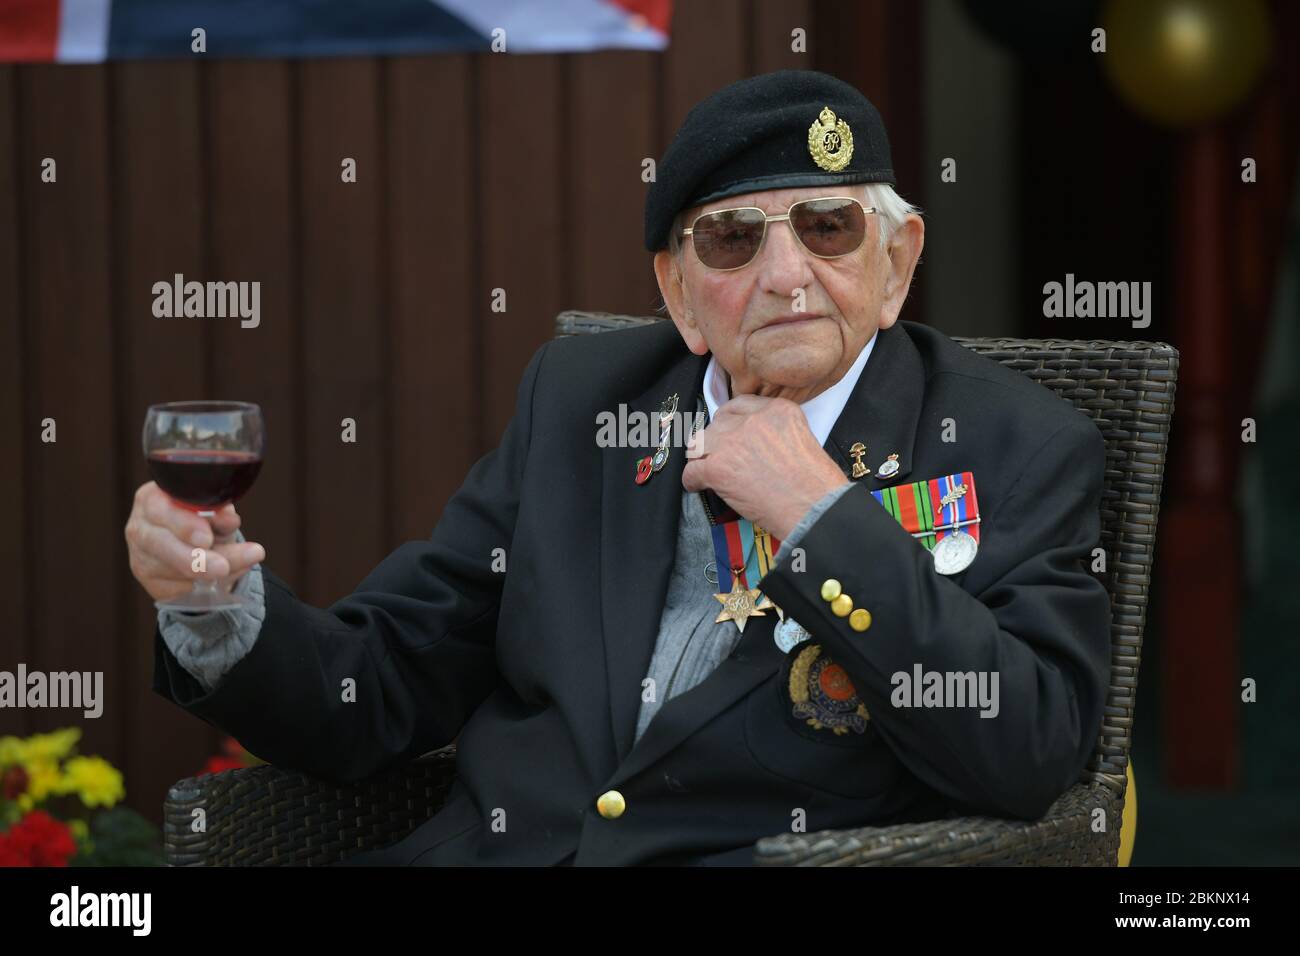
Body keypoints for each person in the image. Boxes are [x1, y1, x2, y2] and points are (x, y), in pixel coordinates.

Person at [124, 69, 1111, 866]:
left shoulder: (1013, 444)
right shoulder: (583, 401)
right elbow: (381, 683)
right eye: (731, 238)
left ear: (894, 263)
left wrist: (820, 515)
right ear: (679, 293)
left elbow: (1027, 748)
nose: (784, 273)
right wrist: (217, 607)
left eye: (827, 226)